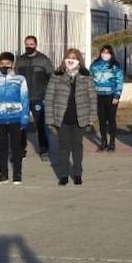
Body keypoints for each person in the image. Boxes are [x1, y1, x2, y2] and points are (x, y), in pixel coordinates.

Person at [44, 49, 97, 186]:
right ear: (64, 59)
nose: (71, 60)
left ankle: (78, 173)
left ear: (79, 59)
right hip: (62, 117)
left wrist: (92, 117)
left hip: (80, 117)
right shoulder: (57, 74)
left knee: (77, 146)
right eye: (69, 57)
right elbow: (49, 97)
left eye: (74, 57)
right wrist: (50, 120)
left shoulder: (86, 75)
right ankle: (63, 175)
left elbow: (92, 97)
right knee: (63, 147)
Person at [0, 52, 30, 185]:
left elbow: (25, 99)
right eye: (2, 64)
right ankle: (3, 174)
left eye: (8, 64)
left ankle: (17, 174)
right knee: (2, 147)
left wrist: (25, 117)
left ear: (13, 64)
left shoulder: (20, 79)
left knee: (17, 147)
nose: (5, 66)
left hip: (16, 118)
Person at [16, 36, 53, 160]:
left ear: (36, 45)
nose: (29, 46)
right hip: (23, 98)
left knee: (41, 125)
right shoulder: (20, 60)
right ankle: (20, 150)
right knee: (21, 125)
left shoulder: (44, 60)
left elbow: (52, 78)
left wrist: (47, 95)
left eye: (31, 44)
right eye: (27, 44)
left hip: (39, 98)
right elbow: (15, 78)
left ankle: (44, 151)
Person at [90, 45, 124, 152]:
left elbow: (119, 82)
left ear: (111, 54)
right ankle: (103, 142)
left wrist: (117, 96)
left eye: (107, 52)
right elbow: (90, 80)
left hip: (111, 96)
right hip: (98, 96)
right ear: (100, 53)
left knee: (111, 119)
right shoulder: (94, 65)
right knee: (101, 119)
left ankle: (112, 143)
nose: (105, 54)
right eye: (103, 52)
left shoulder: (116, 65)